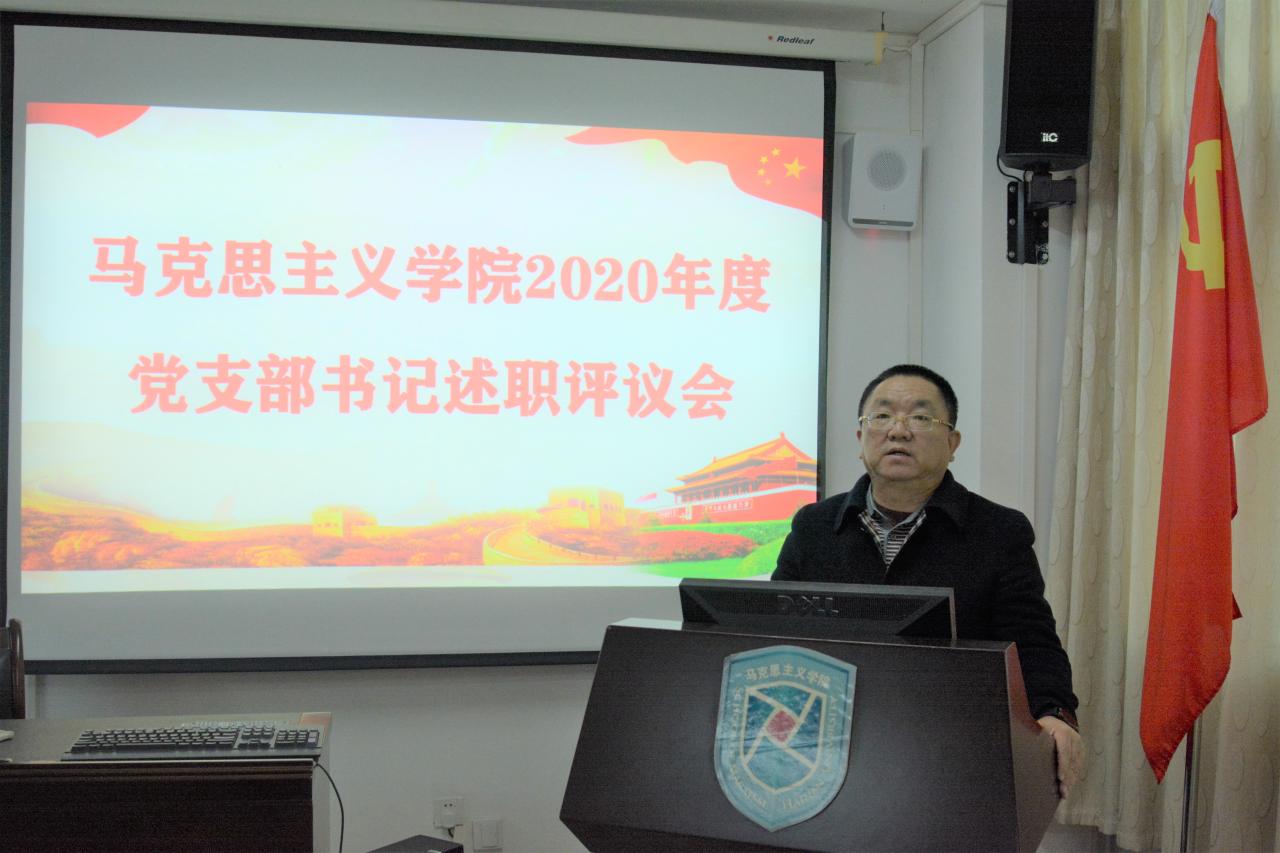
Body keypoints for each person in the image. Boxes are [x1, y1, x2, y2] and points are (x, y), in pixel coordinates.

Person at [773, 363, 1084, 798]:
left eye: (920, 417)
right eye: (882, 416)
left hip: (953, 752)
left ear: (952, 443)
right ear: (860, 437)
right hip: (825, 749)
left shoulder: (999, 532)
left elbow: (1031, 642)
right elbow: (770, 631)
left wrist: (1054, 712)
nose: (898, 431)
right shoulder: (814, 526)